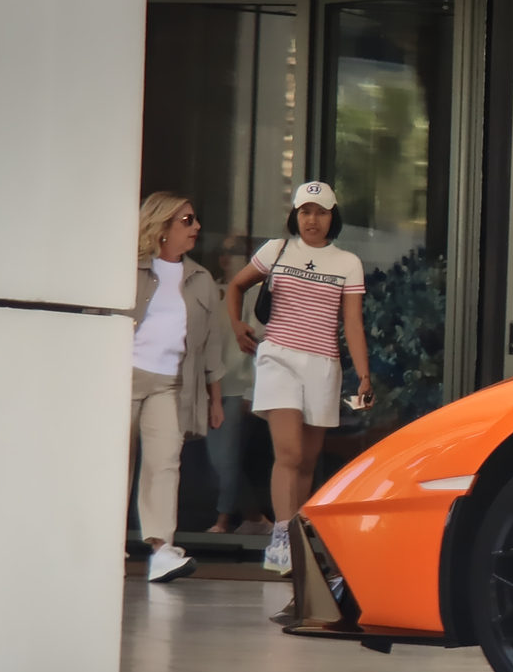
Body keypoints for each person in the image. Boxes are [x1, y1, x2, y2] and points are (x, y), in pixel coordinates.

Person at [221, 183, 375, 577]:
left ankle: (293, 538)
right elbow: (237, 286)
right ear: (295, 215)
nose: (312, 219)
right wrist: (237, 326)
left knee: (306, 460)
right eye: (305, 211)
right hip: (278, 358)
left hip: (323, 363)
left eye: (321, 212)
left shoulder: (348, 262)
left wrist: (363, 375)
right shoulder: (275, 250)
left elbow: (352, 322)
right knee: (288, 453)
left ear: (332, 217)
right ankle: (281, 539)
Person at [129, 193, 228, 585]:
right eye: (187, 220)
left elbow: (211, 347)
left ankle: (161, 550)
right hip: (125, 377)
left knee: (165, 462)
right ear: (162, 227)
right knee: (116, 462)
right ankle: (108, 546)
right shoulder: (127, 270)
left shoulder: (201, 279)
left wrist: (215, 399)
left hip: (172, 383)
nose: (196, 227)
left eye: (194, 219)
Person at [202, 234, 272, 535]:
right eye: (223, 251)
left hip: (237, 386)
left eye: (234, 252)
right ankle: (255, 518)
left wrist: (251, 391)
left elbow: (262, 343)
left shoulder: (254, 295)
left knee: (227, 458)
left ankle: (222, 521)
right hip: (210, 386)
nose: (227, 257)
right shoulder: (212, 289)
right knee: (219, 460)